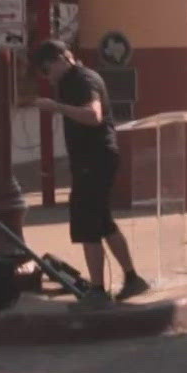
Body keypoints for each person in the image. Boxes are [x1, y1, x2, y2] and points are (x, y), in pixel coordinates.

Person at [30, 40, 148, 301]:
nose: (48, 77)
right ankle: (132, 278)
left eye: (48, 69)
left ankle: (97, 290)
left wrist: (56, 107)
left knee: (86, 224)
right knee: (103, 222)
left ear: (62, 58)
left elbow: (93, 115)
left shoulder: (82, 80)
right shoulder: (72, 81)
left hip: (95, 159)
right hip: (93, 158)